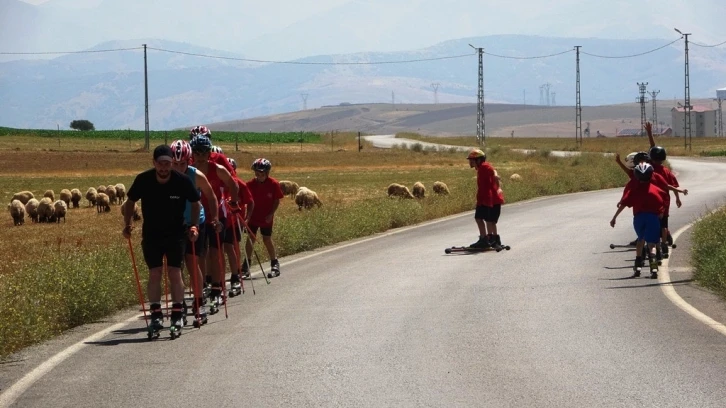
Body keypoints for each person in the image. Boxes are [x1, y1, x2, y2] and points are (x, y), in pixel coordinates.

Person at [122, 145, 202, 335]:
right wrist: (127, 223)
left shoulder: (182, 181)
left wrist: (194, 226)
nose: (164, 168)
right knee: (155, 273)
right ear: (154, 163)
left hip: (176, 234)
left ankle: (176, 313)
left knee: (175, 272)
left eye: (167, 164)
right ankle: (156, 314)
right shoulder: (143, 180)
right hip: (152, 234)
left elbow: (195, 203)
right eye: (161, 164)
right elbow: (130, 201)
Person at [169, 139, 222, 325]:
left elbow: (211, 196)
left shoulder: (196, 175)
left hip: (194, 222)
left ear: (188, 160)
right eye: (174, 164)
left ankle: (199, 304)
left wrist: (214, 218)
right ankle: (180, 304)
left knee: (193, 263)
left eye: (182, 163)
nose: (178, 167)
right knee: (175, 268)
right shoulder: (165, 176)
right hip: (173, 224)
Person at [188, 135, 239, 310]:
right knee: (200, 255)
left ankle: (218, 289)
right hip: (198, 217)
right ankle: (201, 289)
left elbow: (233, 184)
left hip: (218, 215)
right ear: (192, 154)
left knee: (215, 252)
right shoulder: (190, 171)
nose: (200, 156)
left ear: (209, 153)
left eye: (204, 152)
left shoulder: (217, 169)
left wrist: (233, 201)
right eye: (197, 152)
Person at [614, 150, 688, 261]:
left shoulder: (640, 176)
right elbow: (668, 186)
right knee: (657, 231)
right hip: (657, 209)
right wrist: (679, 192)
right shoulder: (654, 174)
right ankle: (659, 250)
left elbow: (627, 196)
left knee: (644, 235)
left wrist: (615, 215)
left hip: (647, 212)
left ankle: (647, 255)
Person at [609, 162, 664, 279]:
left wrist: (614, 217)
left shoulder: (634, 190)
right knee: (652, 245)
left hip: (639, 218)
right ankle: (653, 267)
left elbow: (624, 204)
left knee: (640, 240)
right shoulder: (657, 190)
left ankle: (638, 266)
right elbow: (661, 207)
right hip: (653, 218)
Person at [244, 158, 284, 278]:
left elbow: (276, 201)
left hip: (266, 217)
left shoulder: (273, 184)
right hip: (253, 216)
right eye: (257, 173)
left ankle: (274, 263)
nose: (259, 176)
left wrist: (271, 214)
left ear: (267, 173)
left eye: (261, 174)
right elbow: (245, 199)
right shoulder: (250, 184)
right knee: (251, 238)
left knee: (267, 239)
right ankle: (246, 265)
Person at [646, 122, 682, 256]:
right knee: (663, 223)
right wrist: (678, 198)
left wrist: (649, 133)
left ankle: (652, 242)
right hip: (664, 201)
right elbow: (674, 186)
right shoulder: (666, 171)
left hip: (652, 200)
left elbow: (652, 148)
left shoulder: (649, 168)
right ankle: (665, 244)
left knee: (653, 221)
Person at [223, 157, 255, 292]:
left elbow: (251, 202)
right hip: (222, 220)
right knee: (221, 248)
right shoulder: (219, 182)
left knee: (233, 247)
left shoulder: (240, 184)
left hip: (236, 220)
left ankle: (236, 274)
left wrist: (247, 218)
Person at [467, 149, 504, 249]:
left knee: (487, 220)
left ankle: (488, 239)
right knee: (479, 218)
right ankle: (486, 239)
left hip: (488, 198)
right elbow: (493, 170)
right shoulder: (481, 168)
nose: (470, 162)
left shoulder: (484, 167)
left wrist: (496, 177)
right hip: (484, 198)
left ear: (478, 160)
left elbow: (493, 170)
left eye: (472, 160)